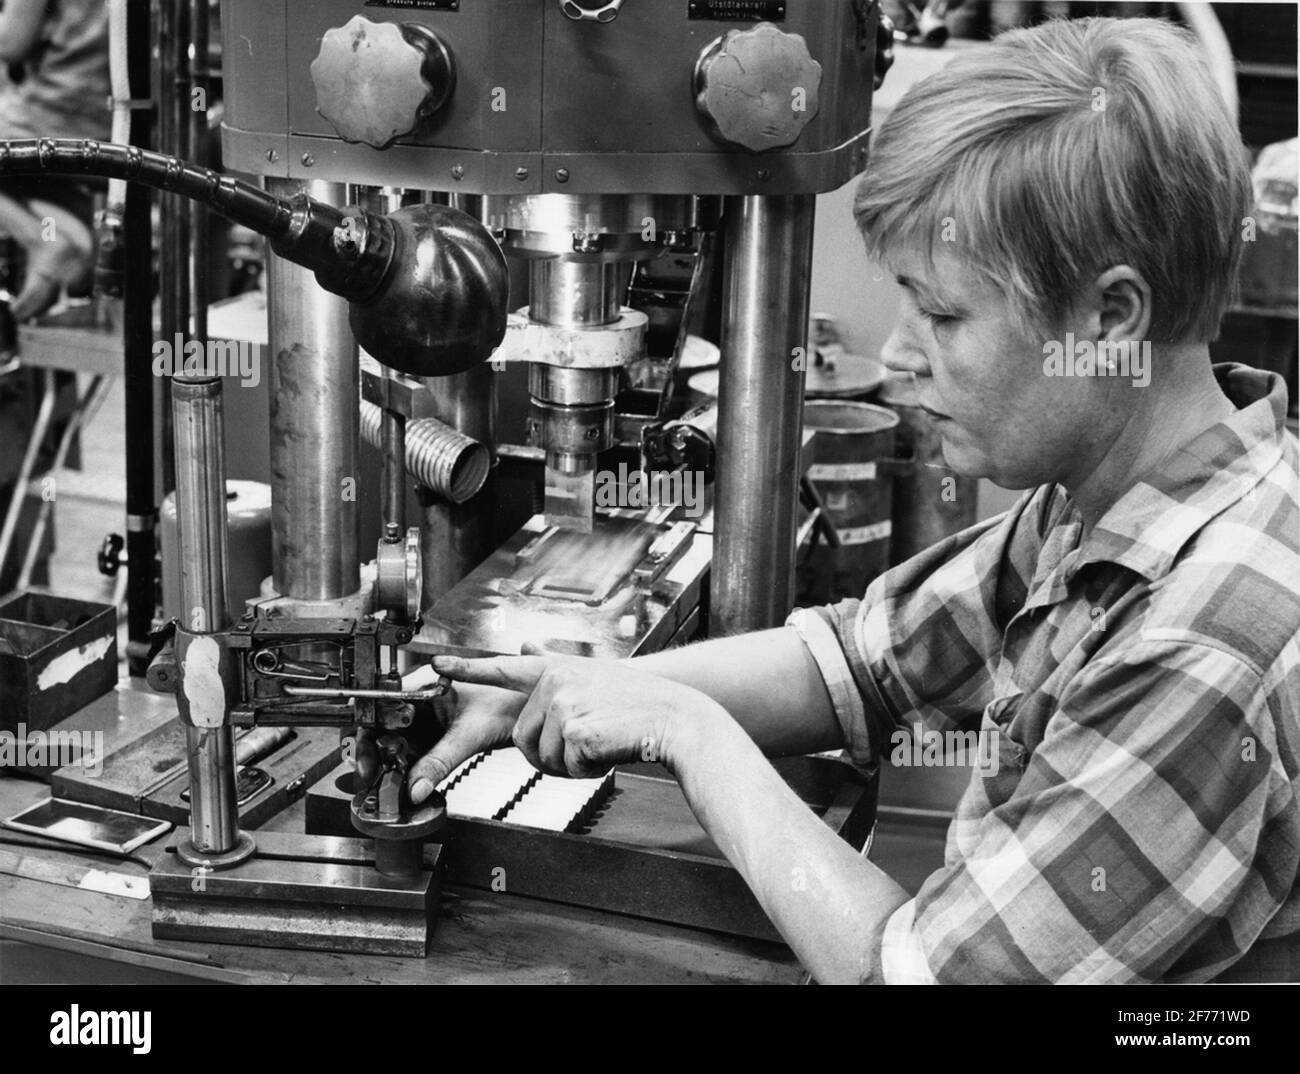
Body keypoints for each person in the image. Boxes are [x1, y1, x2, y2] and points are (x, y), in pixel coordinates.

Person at [387, 17, 1300, 983]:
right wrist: (593, 690)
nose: (901, 354)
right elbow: (866, 660)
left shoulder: (1199, 642)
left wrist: (687, 732)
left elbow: (919, 978)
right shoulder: (1119, 502)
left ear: (1110, 320)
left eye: (943, 314)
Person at [0, 0, 110, 321]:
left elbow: (11, 42)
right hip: (118, 124)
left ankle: (44, 241)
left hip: (59, 114)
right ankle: (67, 240)